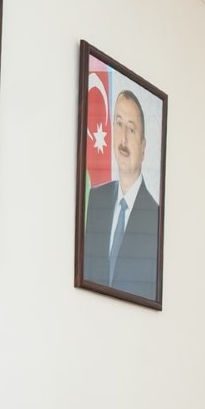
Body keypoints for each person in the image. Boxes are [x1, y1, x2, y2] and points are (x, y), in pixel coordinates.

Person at [81, 89, 160, 299]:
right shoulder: (96, 199)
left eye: (131, 130)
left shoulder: (155, 218)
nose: (123, 138)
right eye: (118, 124)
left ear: (143, 147)